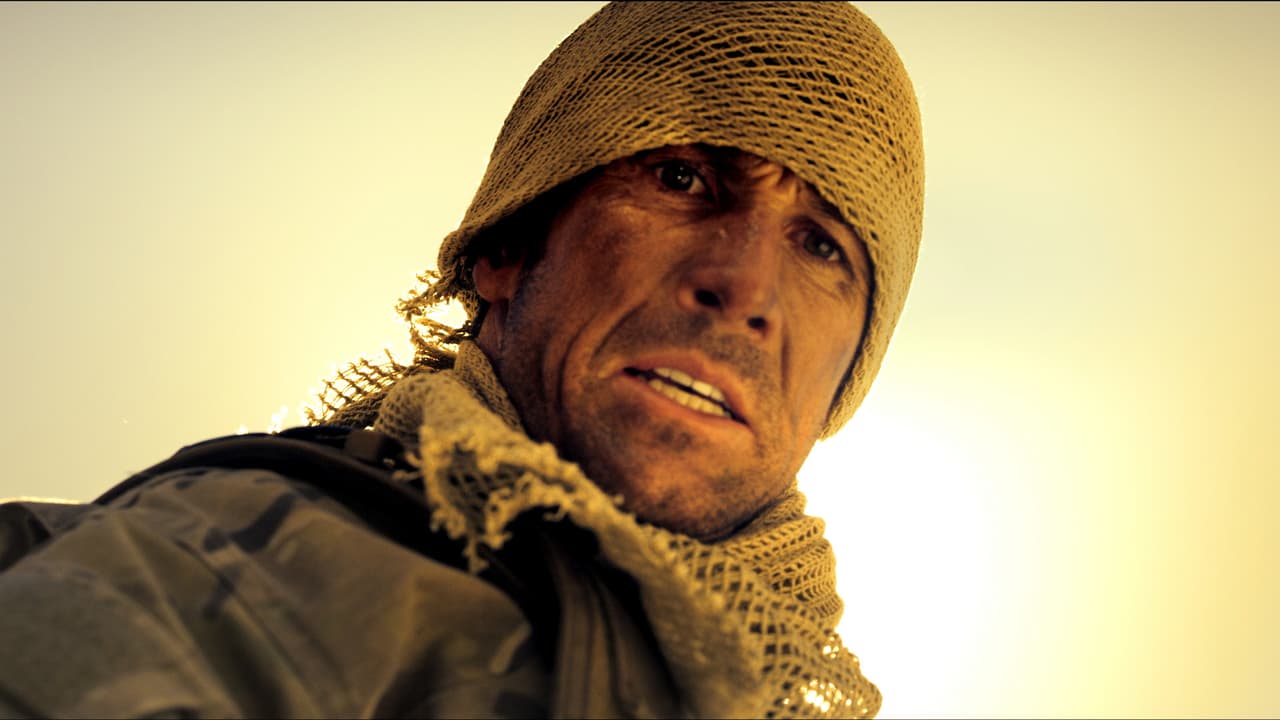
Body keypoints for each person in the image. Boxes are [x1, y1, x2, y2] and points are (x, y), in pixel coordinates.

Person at [0, 2, 923, 717]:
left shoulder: (778, 680)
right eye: (681, 178)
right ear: (508, 250)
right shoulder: (256, 565)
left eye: (822, 246)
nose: (745, 288)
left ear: (845, 380)